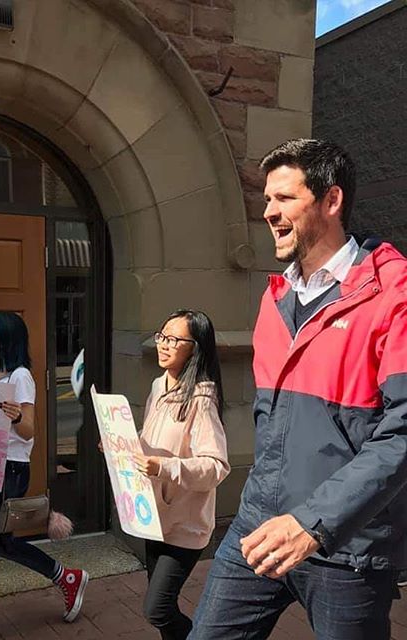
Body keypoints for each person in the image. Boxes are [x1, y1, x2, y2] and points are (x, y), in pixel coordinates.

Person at [189, 138, 407, 640]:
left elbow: (401, 434)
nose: (269, 212)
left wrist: (313, 523)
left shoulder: (393, 293)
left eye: (285, 199)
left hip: (346, 545)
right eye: (267, 200)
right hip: (259, 524)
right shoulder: (277, 297)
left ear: (331, 201)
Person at [0, 311, 89, 640]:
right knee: (2, 542)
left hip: (10, 469)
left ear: (4, 338)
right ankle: (67, 577)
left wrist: (17, 415)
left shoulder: (20, 377)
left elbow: (29, 431)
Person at [131, 309, 229, 640]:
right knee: (162, 612)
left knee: (156, 608)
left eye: (174, 339)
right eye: (162, 336)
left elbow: (215, 466)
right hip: (154, 519)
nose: (164, 344)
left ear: (195, 347)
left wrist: (165, 467)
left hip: (185, 527)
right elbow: (153, 438)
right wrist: (121, 443)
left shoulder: (202, 399)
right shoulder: (158, 386)